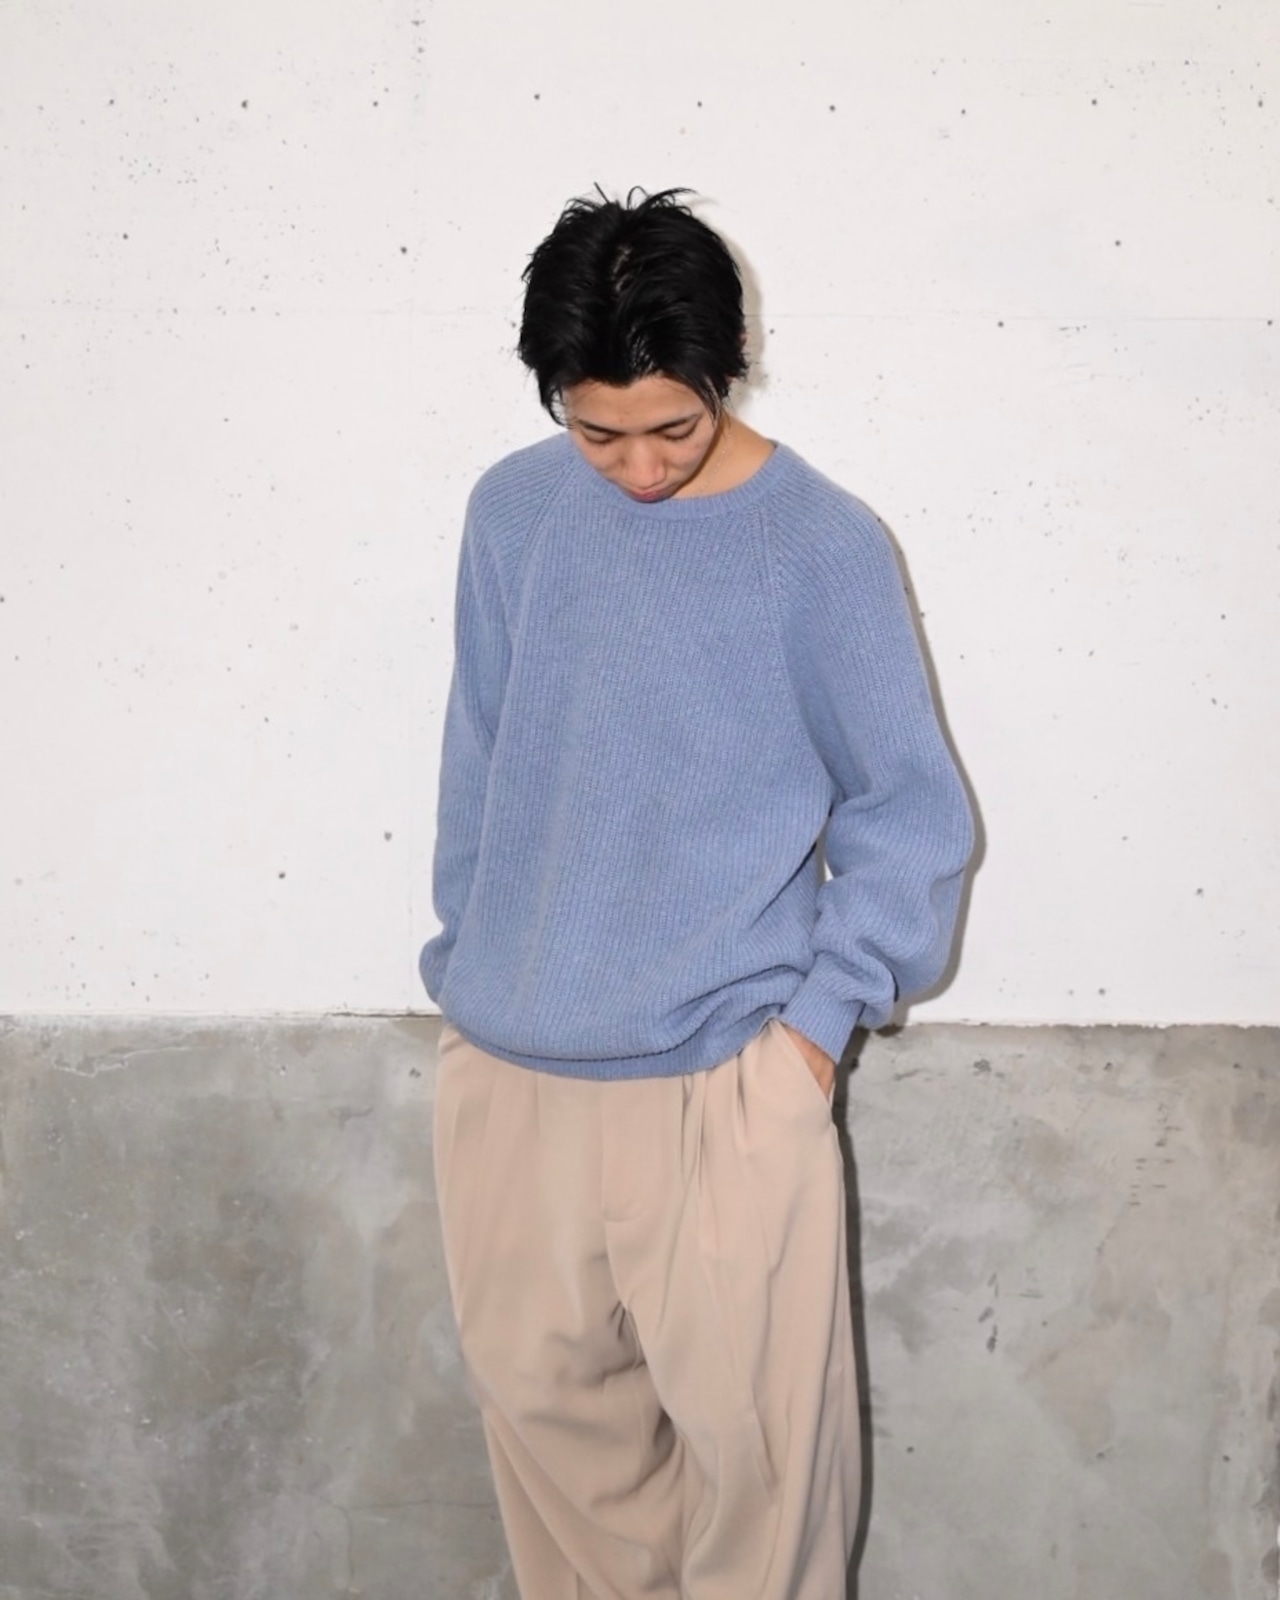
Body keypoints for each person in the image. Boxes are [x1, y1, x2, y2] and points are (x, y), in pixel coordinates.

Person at [421, 188, 973, 1600]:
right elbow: (482, 752)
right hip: (511, 1077)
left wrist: (811, 1041)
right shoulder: (512, 513)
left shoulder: (821, 545)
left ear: (729, 371)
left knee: (765, 1504)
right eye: (597, 432)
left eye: (672, 426)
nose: (640, 466)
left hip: (727, 1081)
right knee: (568, 1506)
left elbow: (909, 813)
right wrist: (464, 976)